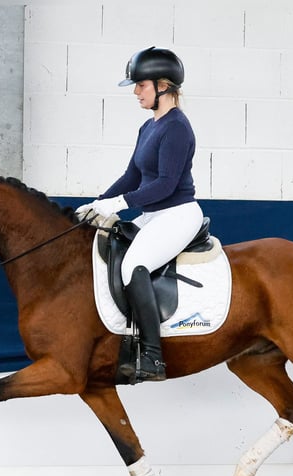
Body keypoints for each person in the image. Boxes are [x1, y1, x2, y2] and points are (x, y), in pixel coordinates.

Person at [76, 46, 204, 383]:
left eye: (141, 86)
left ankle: (152, 357)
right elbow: (132, 176)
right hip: (153, 214)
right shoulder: (149, 127)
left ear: (164, 86)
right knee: (111, 246)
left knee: (134, 265)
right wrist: (98, 202)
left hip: (177, 214)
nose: (135, 93)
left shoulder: (177, 127)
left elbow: (164, 184)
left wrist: (118, 204)